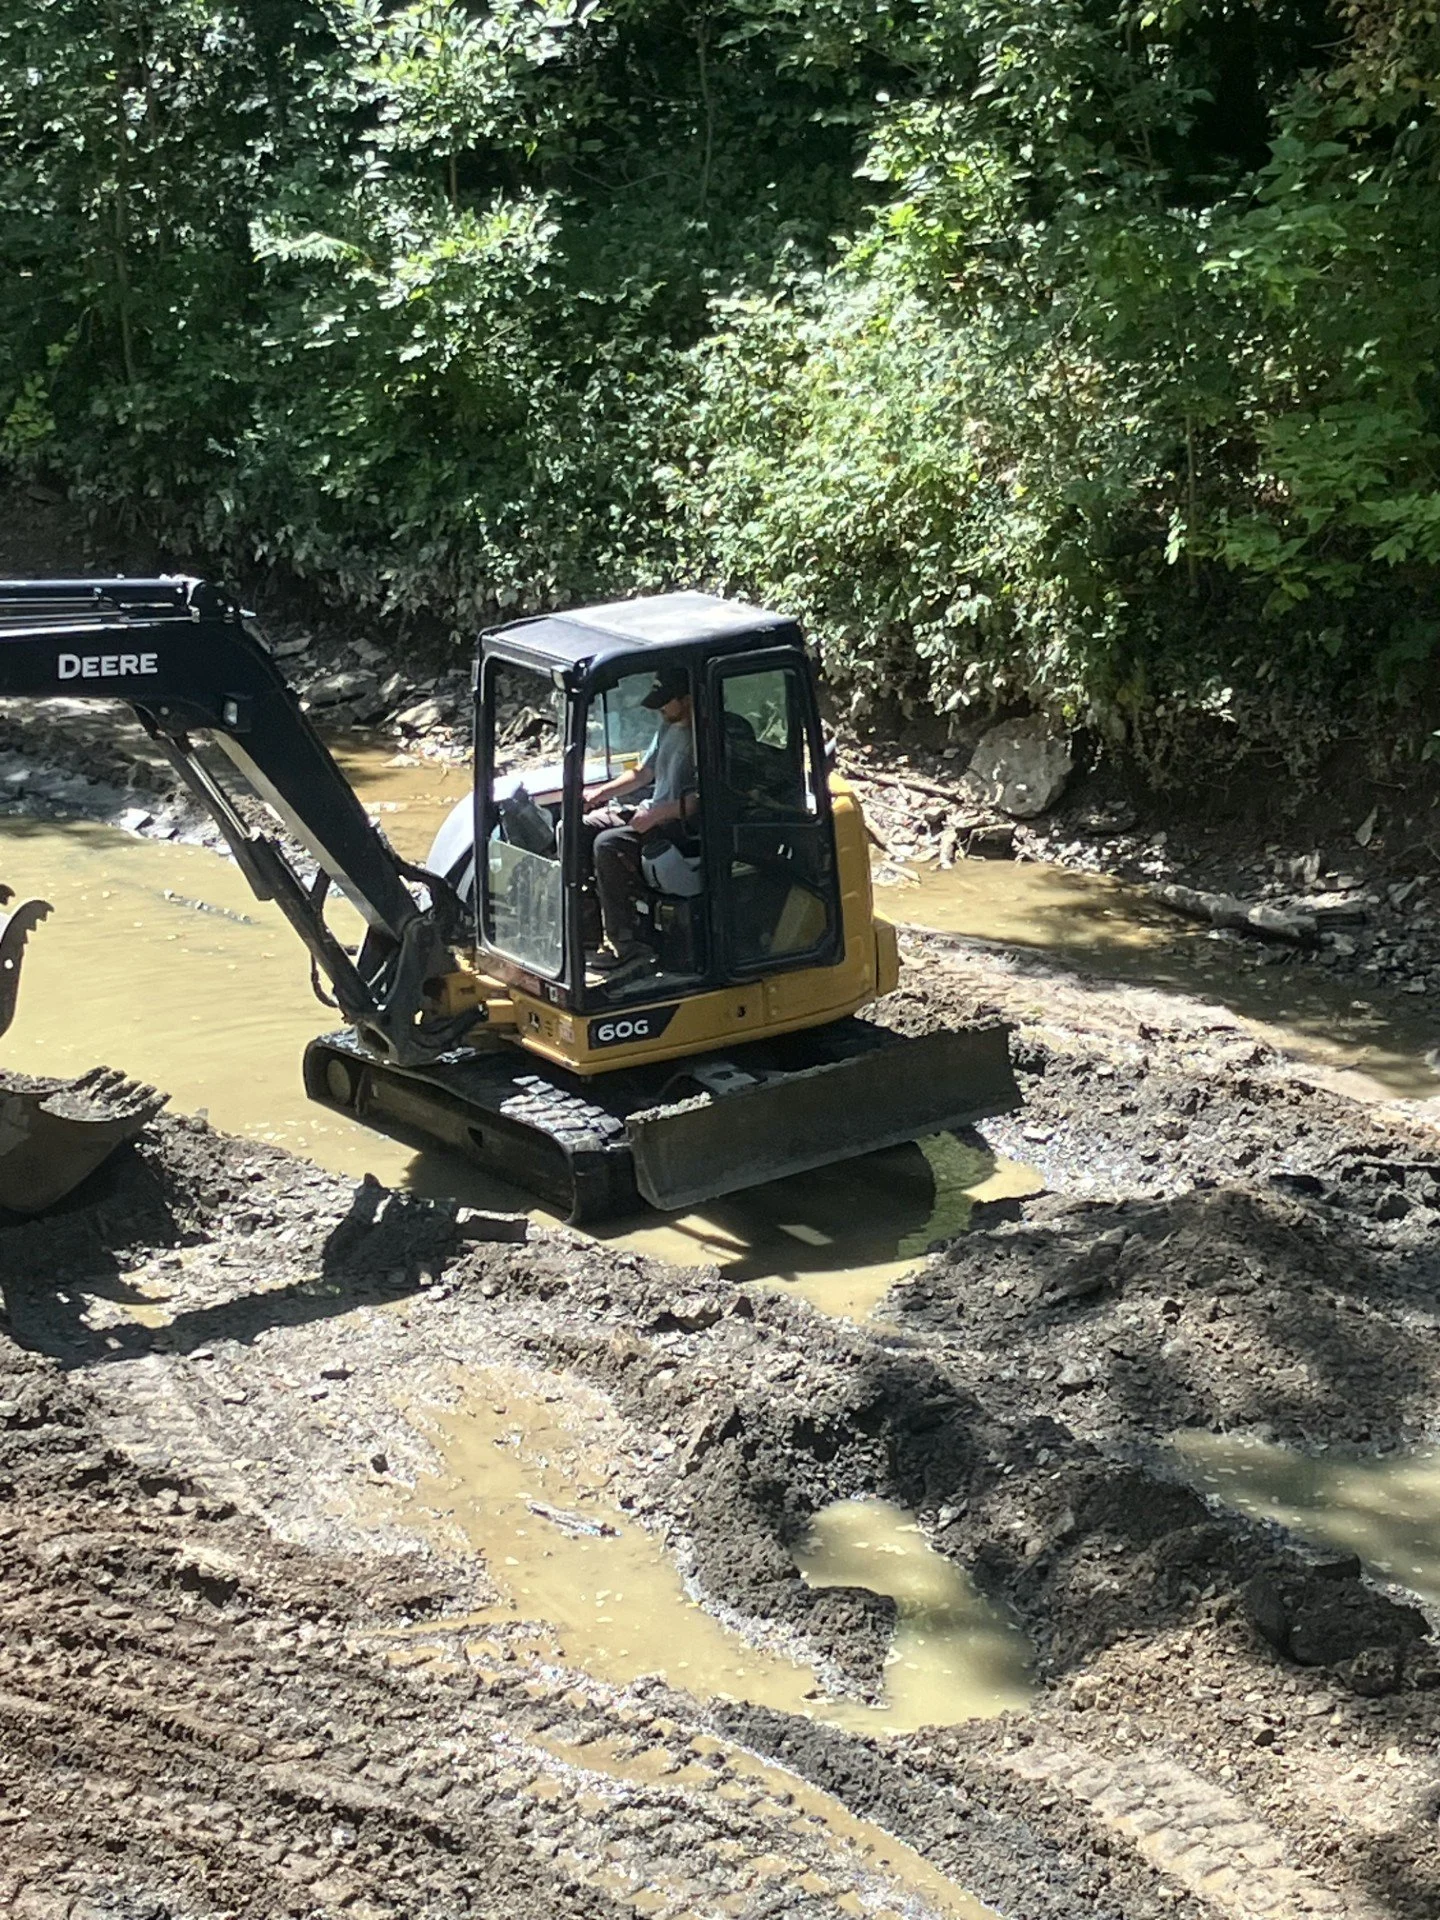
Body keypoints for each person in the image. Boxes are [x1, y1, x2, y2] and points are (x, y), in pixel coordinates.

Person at [581, 668, 696, 981]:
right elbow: (643, 774)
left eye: (665, 702)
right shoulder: (668, 727)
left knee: (608, 845)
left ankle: (627, 944)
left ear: (687, 698)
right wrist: (598, 794)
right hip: (649, 811)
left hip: (680, 826)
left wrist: (657, 815)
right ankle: (588, 935)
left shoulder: (709, 735)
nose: (660, 709)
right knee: (578, 829)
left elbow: (704, 798)